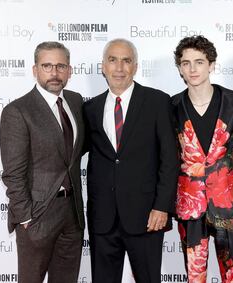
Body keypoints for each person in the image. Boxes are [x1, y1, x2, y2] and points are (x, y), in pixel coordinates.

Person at [83, 38, 178, 283]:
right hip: (103, 218)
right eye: (112, 60)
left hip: (146, 217)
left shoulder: (157, 101)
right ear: (103, 66)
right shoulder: (90, 108)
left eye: (126, 61)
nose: (119, 67)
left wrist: (162, 206)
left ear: (135, 67)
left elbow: (170, 158)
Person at [0, 41, 85, 283]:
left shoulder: (76, 102)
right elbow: (13, 174)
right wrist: (26, 218)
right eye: (47, 66)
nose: (54, 73)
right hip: (37, 215)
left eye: (60, 66)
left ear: (69, 70)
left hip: (72, 213)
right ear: (35, 70)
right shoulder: (18, 111)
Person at [172, 35, 233, 283]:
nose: (192, 69)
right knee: (194, 275)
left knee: (232, 274)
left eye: (199, 62)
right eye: (186, 63)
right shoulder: (171, 106)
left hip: (227, 202)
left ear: (211, 65)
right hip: (189, 204)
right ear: (180, 68)